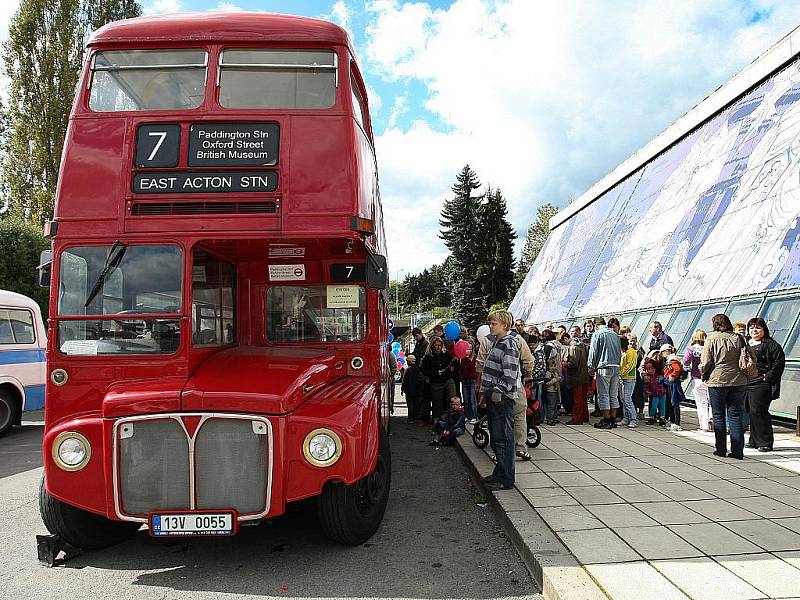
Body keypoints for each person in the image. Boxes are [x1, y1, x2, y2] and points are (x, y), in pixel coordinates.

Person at [479, 310, 520, 491]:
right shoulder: (499, 342)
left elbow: (510, 374)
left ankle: (506, 478)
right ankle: (500, 472)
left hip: (501, 398)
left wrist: (498, 391)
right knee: (497, 437)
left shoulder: (508, 344)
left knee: (503, 438)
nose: (490, 326)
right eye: (490, 323)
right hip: (494, 396)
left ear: (505, 325)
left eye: (494, 323)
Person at [701, 314, 750, 460]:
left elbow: (706, 362)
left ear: (714, 324)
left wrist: (704, 373)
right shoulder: (739, 338)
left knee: (718, 415)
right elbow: (749, 355)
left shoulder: (711, 338)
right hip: (738, 380)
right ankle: (737, 451)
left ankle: (720, 449)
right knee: (735, 415)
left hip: (718, 381)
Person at [744, 318, 786, 452]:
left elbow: (779, 362)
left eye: (758, 328)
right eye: (751, 328)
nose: (754, 330)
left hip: (761, 383)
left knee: (759, 411)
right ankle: (754, 439)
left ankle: (765, 442)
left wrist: (767, 377)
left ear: (764, 330)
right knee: (750, 411)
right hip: (746, 382)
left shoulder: (770, 344)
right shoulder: (745, 343)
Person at [587, 317, 622, 429]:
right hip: (616, 366)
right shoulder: (615, 334)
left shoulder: (597, 334)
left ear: (595, 325)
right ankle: (613, 419)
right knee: (613, 394)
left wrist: (591, 367)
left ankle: (606, 419)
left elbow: (593, 351)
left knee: (603, 394)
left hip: (604, 366)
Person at [420, 336, 457, 425]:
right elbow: (423, 370)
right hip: (436, 382)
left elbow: (452, 362)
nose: (438, 347)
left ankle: (453, 417)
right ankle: (436, 423)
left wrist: (453, 366)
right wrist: (435, 373)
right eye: (436, 345)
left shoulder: (446, 354)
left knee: (452, 398)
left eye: (440, 345)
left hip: (447, 379)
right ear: (432, 346)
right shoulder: (428, 357)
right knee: (437, 403)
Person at [683, 330, 711, 432]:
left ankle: (704, 425)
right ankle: (712, 420)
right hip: (709, 378)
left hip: (696, 378)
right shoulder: (709, 347)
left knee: (701, 403)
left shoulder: (691, 349)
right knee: (711, 402)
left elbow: (686, 361)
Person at [566, 328, 591, 424]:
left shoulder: (573, 347)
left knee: (578, 399)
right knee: (583, 399)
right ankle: (584, 416)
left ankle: (577, 419)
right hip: (584, 376)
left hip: (577, 377)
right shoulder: (583, 346)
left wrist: (565, 363)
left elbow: (573, 363)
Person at [661, 344, 684, 431]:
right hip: (670, 384)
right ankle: (673, 421)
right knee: (671, 403)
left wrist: (672, 375)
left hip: (673, 384)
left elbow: (677, 369)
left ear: (666, 352)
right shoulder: (671, 359)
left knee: (674, 403)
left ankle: (677, 423)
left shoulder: (672, 360)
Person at [619, 335, 639, 427]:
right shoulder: (625, 352)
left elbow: (630, 365)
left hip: (629, 378)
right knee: (623, 399)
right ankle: (626, 418)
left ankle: (633, 419)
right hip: (623, 378)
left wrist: (620, 373)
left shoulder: (631, 352)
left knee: (627, 399)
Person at [642, 351, 667, 425]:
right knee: (654, 406)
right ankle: (652, 417)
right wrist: (647, 390)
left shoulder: (659, 375)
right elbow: (646, 385)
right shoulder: (648, 377)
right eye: (648, 369)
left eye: (652, 368)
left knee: (662, 406)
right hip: (655, 393)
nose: (650, 370)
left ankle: (662, 418)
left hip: (662, 392)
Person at [459, 340, 479, 424]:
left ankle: (475, 416)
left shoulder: (475, 358)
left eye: (470, 348)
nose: (469, 350)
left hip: (473, 380)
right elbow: (461, 369)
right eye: (467, 348)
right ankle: (467, 415)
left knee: (472, 400)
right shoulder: (463, 359)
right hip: (465, 380)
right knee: (466, 400)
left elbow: (475, 369)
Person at [401, 354, 423, 424]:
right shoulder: (418, 369)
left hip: (409, 391)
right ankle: (416, 417)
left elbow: (404, 380)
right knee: (416, 404)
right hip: (417, 391)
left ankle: (410, 418)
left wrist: (402, 388)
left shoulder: (407, 370)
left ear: (408, 362)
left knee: (410, 405)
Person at [387, 346, 398, 415]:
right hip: (388, 378)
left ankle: (391, 407)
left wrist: (390, 376)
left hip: (390, 378)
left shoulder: (390, 354)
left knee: (391, 394)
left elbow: (394, 367)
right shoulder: (389, 354)